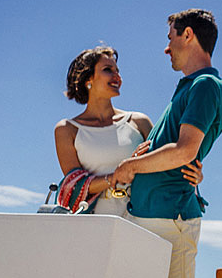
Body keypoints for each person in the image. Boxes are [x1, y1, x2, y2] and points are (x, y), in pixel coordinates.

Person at [112, 9, 222, 278]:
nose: (167, 49)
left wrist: (130, 166)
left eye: (170, 38)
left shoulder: (206, 85)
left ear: (188, 35)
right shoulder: (190, 87)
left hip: (173, 219)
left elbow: (185, 150)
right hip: (154, 217)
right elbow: (179, 149)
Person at [54, 46, 202, 215]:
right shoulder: (67, 129)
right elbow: (73, 185)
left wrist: (193, 175)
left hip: (144, 216)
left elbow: (168, 161)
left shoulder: (139, 121)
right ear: (88, 78)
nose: (117, 76)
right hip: (96, 221)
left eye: (118, 70)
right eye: (108, 70)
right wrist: (117, 176)